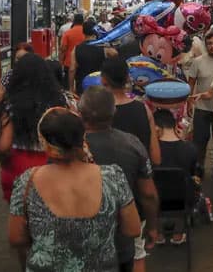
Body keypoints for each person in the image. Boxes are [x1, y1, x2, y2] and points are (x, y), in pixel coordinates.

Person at [9, 107, 141, 272]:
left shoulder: (27, 181)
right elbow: (133, 228)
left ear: (43, 142)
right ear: (82, 137)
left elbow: (15, 238)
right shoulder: (112, 176)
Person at [81, 86, 160, 272]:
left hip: (82, 237)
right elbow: (148, 194)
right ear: (113, 112)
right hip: (124, 235)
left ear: (81, 112)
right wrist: (152, 225)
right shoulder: (132, 144)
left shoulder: (71, 147)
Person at [0, 52, 71, 203]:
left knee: (19, 216)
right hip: (51, 166)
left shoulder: (11, 104)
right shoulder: (59, 102)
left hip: (18, 167)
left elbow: (4, 146)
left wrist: (4, 162)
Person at [100, 57, 161, 166]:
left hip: (105, 179)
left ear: (103, 80)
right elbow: (156, 158)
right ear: (128, 78)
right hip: (138, 177)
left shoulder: (96, 110)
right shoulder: (144, 109)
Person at [153, 109, 199, 245]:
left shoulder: (149, 150)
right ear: (175, 126)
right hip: (182, 199)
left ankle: (159, 234)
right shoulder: (190, 148)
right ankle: (178, 234)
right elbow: (193, 173)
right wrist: (184, 140)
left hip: (156, 200)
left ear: (156, 128)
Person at [186, 31, 213, 171]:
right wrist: (189, 102)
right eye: (209, 43)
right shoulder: (198, 62)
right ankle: (198, 171)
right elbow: (190, 84)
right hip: (202, 108)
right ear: (205, 45)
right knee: (199, 142)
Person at [70, 19, 109, 93]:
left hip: (82, 87)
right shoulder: (104, 48)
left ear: (83, 32)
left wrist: (71, 88)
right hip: (100, 86)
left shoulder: (76, 48)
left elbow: (72, 69)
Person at [60, 14, 85, 83]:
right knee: (80, 84)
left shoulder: (67, 33)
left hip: (69, 62)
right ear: (83, 21)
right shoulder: (86, 33)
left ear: (74, 21)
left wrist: (61, 62)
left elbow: (63, 49)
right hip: (82, 62)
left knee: (67, 85)